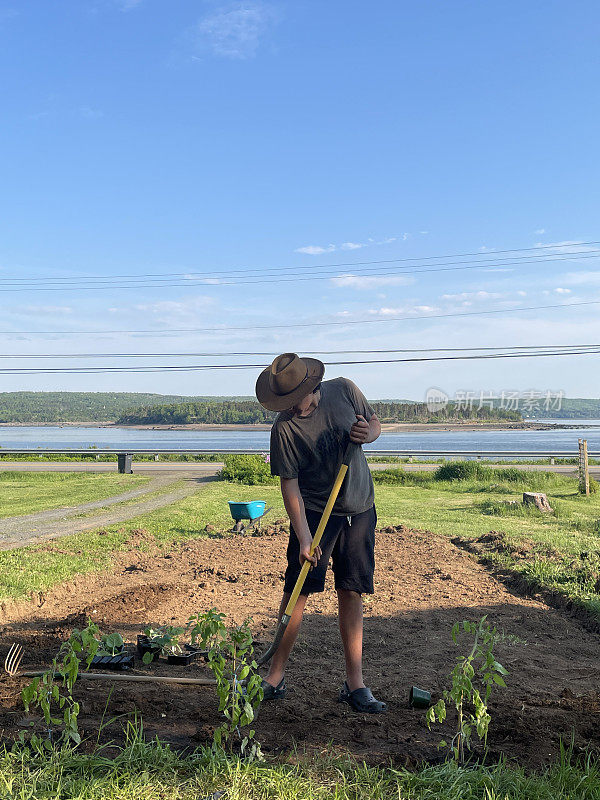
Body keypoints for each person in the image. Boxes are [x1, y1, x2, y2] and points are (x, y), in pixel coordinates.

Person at [255, 352, 386, 713]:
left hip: (358, 507)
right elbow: (290, 485)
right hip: (313, 513)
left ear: (311, 386)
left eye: (294, 401)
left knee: (351, 589)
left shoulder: (344, 391)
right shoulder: (284, 428)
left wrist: (368, 434)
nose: (291, 409)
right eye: (283, 403)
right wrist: (304, 536)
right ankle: (275, 676)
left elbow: (374, 423)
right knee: (297, 592)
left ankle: (355, 683)